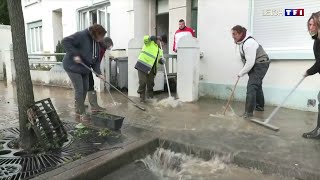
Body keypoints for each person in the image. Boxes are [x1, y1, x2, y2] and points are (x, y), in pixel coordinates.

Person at [62, 24, 106, 122]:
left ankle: (79, 109)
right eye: (101, 36)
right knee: (79, 89)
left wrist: (99, 73)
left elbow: (96, 60)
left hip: (84, 68)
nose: (102, 39)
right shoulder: (82, 35)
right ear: (95, 33)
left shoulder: (97, 43)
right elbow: (65, 41)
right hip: (72, 66)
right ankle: (81, 113)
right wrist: (75, 55)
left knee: (86, 88)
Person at [231, 25, 270, 119]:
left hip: (260, 64)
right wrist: (243, 71)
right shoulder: (242, 43)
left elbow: (250, 62)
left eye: (234, 34)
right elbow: (247, 61)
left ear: (240, 33)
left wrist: (241, 73)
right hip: (257, 64)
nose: (233, 36)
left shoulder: (248, 43)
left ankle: (248, 113)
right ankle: (259, 107)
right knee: (257, 85)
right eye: (232, 34)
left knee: (251, 87)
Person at [302, 11, 320, 139]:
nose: (310, 27)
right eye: (309, 24)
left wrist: (309, 72)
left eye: (314, 25)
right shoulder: (317, 39)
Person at [135, 35, 166, 102]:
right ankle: (142, 98)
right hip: (143, 65)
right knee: (142, 82)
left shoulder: (160, 51)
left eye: (163, 43)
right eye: (162, 42)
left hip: (152, 69)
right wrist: (152, 37)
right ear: (158, 40)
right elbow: (145, 39)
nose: (162, 44)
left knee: (150, 84)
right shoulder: (150, 43)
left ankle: (150, 98)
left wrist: (161, 60)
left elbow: (159, 59)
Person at [87, 37, 113, 112]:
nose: (110, 48)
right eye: (110, 46)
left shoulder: (102, 49)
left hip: (87, 66)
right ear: (106, 43)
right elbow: (95, 61)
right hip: (82, 66)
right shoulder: (98, 48)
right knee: (88, 85)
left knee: (88, 85)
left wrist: (99, 74)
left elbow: (97, 62)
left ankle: (93, 106)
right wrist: (99, 73)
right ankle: (92, 107)